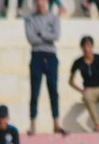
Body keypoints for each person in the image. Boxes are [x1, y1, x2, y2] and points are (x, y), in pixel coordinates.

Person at [24, 0, 65, 136]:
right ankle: (33, 124)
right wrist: (47, 35)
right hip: (36, 55)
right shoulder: (30, 19)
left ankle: (56, 123)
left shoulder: (54, 18)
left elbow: (56, 35)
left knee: (53, 90)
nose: (40, 3)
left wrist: (41, 33)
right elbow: (31, 38)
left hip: (51, 56)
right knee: (34, 91)